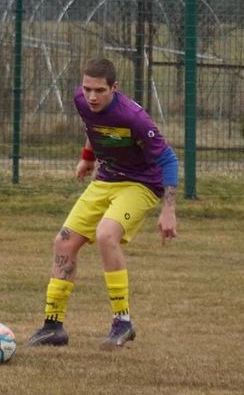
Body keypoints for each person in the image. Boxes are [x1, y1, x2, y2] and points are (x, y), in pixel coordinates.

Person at [28, 58, 178, 350]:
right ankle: (53, 326)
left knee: (106, 234)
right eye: (87, 89)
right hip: (106, 179)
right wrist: (87, 158)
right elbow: (93, 128)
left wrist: (169, 209)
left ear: (114, 88)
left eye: (99, 90)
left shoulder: (134, 117)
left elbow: (169, 159)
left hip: (141, 183)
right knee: (63, 242)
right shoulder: (81, 101)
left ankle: (123, 322)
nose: (92, 97)